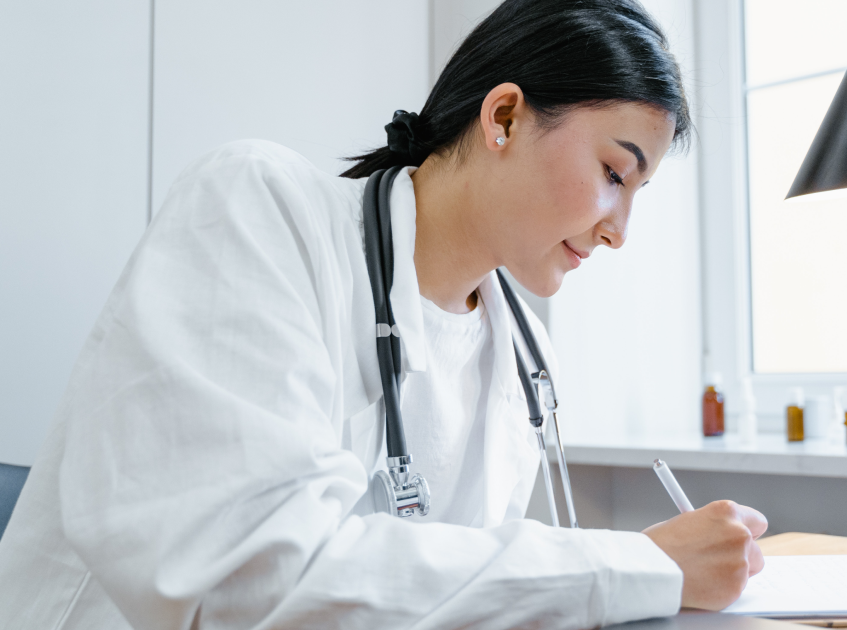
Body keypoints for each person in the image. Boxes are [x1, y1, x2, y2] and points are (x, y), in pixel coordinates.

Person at [0, 0, 768, 627]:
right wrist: (639, 564)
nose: (619, 231)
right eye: (613, 173)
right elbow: (252, 588)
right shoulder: (259, 212)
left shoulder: (522, 356)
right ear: (503, 117)